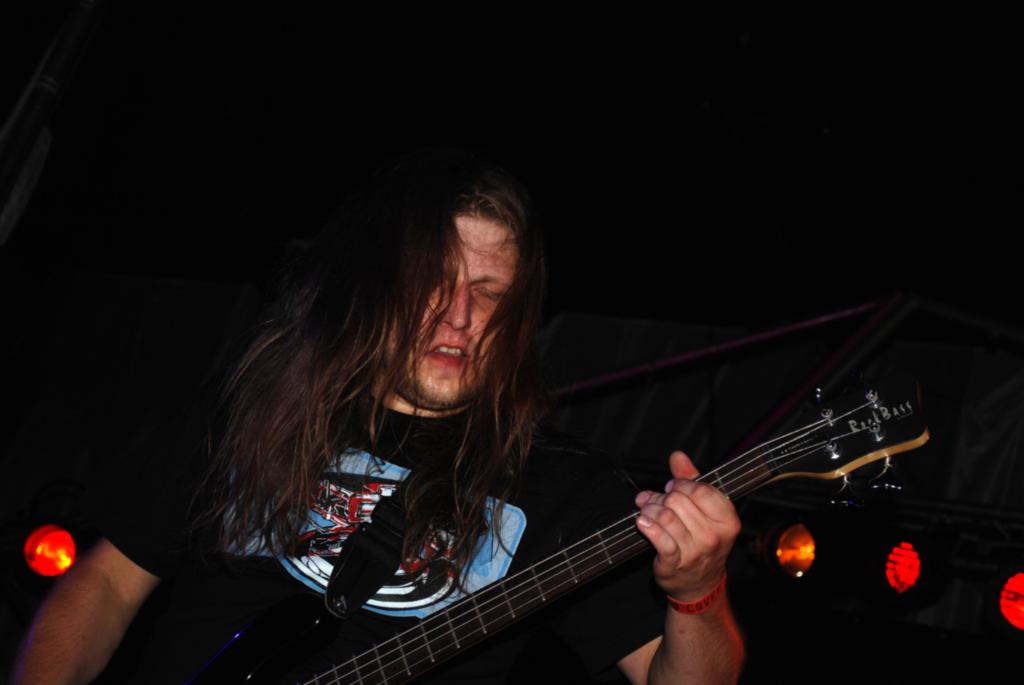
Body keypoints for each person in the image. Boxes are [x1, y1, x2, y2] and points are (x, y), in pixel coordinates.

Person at [11, 148, 745, 684]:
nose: (460, 316)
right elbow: (106, 585)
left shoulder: (564, 489)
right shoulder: (258, 409)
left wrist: (698, 593)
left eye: (490, 291)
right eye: (434, 282)